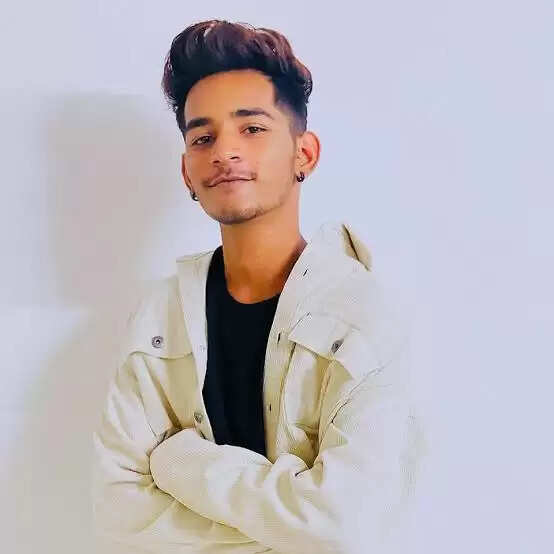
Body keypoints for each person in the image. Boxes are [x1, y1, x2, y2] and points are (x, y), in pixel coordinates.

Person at [91, 19, 427, 554]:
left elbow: (343, 525)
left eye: (251, 128)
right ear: (187, 171)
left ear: (304, 153)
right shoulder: (159, 318)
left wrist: (178, 460)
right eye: (203, 137)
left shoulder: (363, 316)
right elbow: (119, 517)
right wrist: (288, 523)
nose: (224, 151)